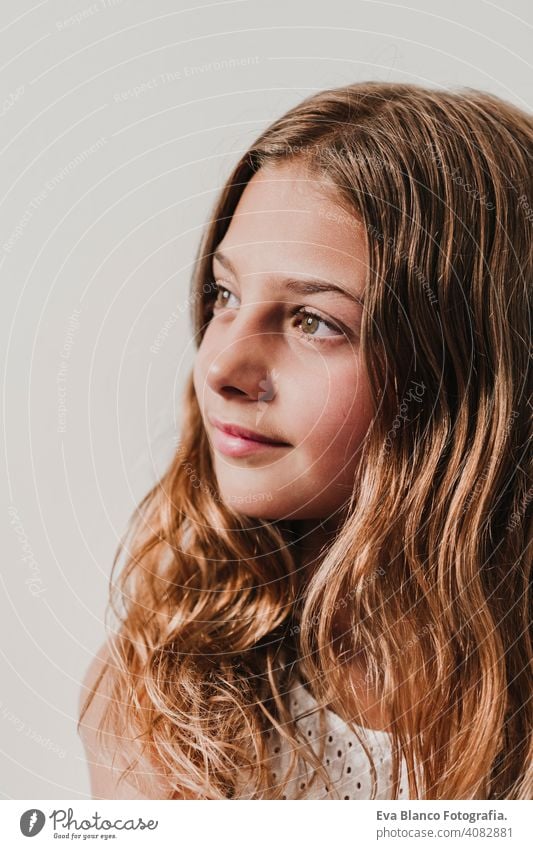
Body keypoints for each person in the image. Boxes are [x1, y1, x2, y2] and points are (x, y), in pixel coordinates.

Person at [78, 81, 532, 800]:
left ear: (466, 374)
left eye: (312, 321)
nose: (220, 366)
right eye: (223, 296)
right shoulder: (168, 698)